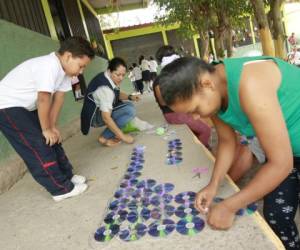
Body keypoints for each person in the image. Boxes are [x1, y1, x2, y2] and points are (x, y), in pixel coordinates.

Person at [156, 56, 300, 249]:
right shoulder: (214, 88)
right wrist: (213, 184)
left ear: (206, 84)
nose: (196, 117)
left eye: (195, 109)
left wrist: (230, 206)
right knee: (276, 215)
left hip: (284, 156)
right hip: (287, 151)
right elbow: (226, 140)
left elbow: (281, 164)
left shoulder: (250, 85)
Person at [0, 37, 95, 201]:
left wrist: (52, 126)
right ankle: (60, 189)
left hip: (24, 107)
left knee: (53, 139)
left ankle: (67, 176)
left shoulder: (64, 72)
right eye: (81, 66)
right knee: (38, 144)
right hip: (7, 106)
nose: (81, 72)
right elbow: (43, 98)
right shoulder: (49, 65)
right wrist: (45, 129)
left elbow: (58, 99)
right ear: (67, 56)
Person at [81, 57, 152, 147]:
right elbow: (106, 118)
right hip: (94, 116)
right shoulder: (105, 89)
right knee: (129, 111)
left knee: (129, 105)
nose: (121, 78)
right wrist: (123, 137)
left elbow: (116, 93)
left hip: (96, 111)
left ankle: (115, 130)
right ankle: (103, 138)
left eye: (123, 75)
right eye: (118, 75)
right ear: (110, 71)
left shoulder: (107, 76)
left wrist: (130, 97)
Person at [153, 45, 211, 148]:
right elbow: (163, 102)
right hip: (173, 113)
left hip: (184, 110)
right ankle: (199, 152)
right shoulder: (160, 80)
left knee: (206, 122)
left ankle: (200, 147)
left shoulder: (177, 74)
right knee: (205, 129)